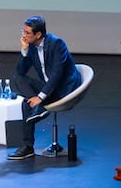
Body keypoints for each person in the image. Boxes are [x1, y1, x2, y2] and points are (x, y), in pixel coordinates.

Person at [7, 15, 82, 160]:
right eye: (23, 31)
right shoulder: (32, 46)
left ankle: (39, 107)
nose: (24, 36)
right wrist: (24, 51)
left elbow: (57, 75)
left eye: (27, 33)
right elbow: (21, 71)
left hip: (63, 88)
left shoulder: (57, 44)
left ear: (38, 34)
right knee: (19, 81)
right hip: (48, 87)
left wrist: (40, 97)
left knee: (31, 102)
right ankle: (28, 147)